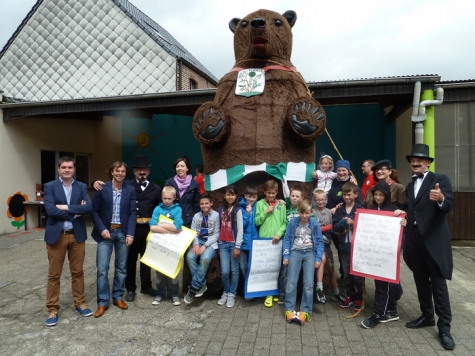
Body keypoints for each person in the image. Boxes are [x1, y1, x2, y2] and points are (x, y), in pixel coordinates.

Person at [403, 144, 455, 350]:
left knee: (438, 284)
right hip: (414, 240)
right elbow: (411, 210)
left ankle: (444, 328)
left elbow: (449, 205)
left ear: (428, 162)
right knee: (420, 281)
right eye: (412, 160)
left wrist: (441, 199)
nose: (415, 162)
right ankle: (427, 316)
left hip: (433, 240)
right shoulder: (410, 185)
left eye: (420, 160)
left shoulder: (440, 180)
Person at [93, 155, 162, 302]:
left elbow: (162, 206)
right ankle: (130, 288)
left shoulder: (156, 188)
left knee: (146, 259)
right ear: (135, 172)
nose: (142, 172)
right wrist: (94, 182)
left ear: (148, 172)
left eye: (144, 170)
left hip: (149, 228)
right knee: (129, 260)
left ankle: (146, 285)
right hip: (131, 227)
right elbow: (105, 190)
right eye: (139, 170)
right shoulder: (128, 185)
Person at [42, 156, 93, 327]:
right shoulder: (50, 186)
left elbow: (89, 207)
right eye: (63, 167)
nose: (67, 170)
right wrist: (75, 212)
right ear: (58, 169)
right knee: (54, 274)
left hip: (76, 235)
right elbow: (50, 210)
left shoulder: (81, 186)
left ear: (74, 169)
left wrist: (64, 207)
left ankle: (79, 303)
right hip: (57, 236)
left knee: (77, 272)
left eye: (70, 167)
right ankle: (52, 308)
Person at [91, 161, 136, 318]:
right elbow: (94, 211)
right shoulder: (101, 188)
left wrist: (130, 234)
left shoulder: (130, 190)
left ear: (125, 173)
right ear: (111, 172)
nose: (120, 173)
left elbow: (132, 213)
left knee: (121, 268)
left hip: (123, 233)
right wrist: (102, 229)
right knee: (102, 269)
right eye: (117, 171)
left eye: (123, 171)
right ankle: (102, 302)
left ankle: (117, 297)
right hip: (106, 233)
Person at [360, 181, 407, 329]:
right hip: (375, 253)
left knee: (383, 284)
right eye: (376, 195)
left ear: (387, 195)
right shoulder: (371, 208)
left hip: (388, 253)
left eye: (381, 195)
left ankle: (378, 314)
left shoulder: (393, 210)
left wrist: (403, 221)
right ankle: (392, 310)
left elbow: (402, 227)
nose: (378, 197)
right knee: (383, 282)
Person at [283, 200, 323, 325]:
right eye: (302, 213)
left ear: (311, 212)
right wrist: (286, 255)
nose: (305, 216)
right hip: (295, 251)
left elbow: (320, 243)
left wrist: (318, 258)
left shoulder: (315, 224)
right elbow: (287, 239)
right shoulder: (293, 223)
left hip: (309, 253)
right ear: (298, 212)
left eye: (307, 213)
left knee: (309, 283)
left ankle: (305, 310)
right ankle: (289, 308)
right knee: (291, 282)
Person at [326, 160, 362, 278]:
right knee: (340, 250)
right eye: (339, 170)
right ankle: (344, 275)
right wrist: (331, 209)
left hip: (350, 223)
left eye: (344, 170)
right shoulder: (334, 182)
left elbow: (359, 203)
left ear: (348, 171)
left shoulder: (352, 183)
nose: (341, 173)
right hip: (336, 221)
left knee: (352, 252)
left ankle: (355, 278)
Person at [332, 182, 364, 312]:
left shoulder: (361, 208)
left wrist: (355, 222)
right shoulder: (340, 209)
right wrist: (340, 224)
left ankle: (360, 297)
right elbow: (334, 227)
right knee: (346, 273)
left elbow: (367, 227)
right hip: (344, 247)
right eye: (344, 195)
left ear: (356, 194)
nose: (346, 197)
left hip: (357, 248)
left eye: (349, 194)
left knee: (357, 275)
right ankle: (350, 296)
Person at [149, 186, 184, 306]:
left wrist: (161, 225)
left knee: (173, 270)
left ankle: (174, 294)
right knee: (159, 271)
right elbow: (152, 227)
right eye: (164, 198)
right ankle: (160, 293)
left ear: (174, 198)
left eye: (169, 198)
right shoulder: (157, 209)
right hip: (159, 244)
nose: (167, 201)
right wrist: (171, 230)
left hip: (173, 245)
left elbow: (177, 226)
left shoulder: (177, 210)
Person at [255, 180, 287, 308]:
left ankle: (276, 291)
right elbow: (257, 221)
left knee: (277, 268)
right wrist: (265, 212)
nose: (271, 195)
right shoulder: (259, 204)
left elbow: (285, 223)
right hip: (264, 241)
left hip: (278, 240)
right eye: (269, 193)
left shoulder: (282, 205)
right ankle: (268, 293)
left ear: (277, 192)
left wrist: (279, 234)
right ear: (264, 192)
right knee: (267, 268)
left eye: (273, 193)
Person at [184, 192, 220, 304]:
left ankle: (194, 288)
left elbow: (217, 234)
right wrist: (195, 244)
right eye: (202, 204)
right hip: (198, 241)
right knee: (190, 256)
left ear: (211, 203)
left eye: (206, 203)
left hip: (211, 243)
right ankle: (202, 284)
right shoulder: (196, 216)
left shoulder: (216, 215)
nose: (204, 206)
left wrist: (205, 246)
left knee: (205, 258)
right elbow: (193, 232)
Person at [312, 190, 345, 304]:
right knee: (321, 260)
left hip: (327, 243)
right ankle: (319, 288)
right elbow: (315, 229)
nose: (320, 202)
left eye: (322, 199)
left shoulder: (329, 212)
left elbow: (333, 227)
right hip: (316, 243)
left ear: (326, 200)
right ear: (314, 201)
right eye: (318, 200)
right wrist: (331, 226)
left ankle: (335, 292)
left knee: (331, 267)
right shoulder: (312, 212)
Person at [217, 185, 243, 308]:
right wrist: (217, 243)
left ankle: (232, 294)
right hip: (222, 243)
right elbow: (218, 228)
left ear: (236, 196)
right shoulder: (220, 210)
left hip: (233, 244)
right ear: (224, 195)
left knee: (234, 270)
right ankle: (226, 292)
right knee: (224, 271)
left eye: (232, 194)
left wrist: (238, 246)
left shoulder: (238, 210)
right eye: (228, 194)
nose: (230, 197)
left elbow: (240, 230)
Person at [278, 187, 304, 305]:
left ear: (302, 198)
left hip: (301, 244)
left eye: (297, 196)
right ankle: (283, 294)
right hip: (288, 243)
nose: (294, 198)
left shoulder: (304, 211)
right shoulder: (286, 209)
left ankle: (299, 294)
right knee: (285, 268)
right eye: (292, 196)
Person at [165, 157, 200, 228]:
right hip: (172, 219)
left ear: (187, 168)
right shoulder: (169, 183)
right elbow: (164, 201)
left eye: (182, 166)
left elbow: (196, 204)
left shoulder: (194, 184)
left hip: (188, 220)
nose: (180, 168)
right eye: (177, 166)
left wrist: (195, 217)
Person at [238, 186, 259, 285]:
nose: (251, 199)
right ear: (245, 196)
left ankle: (252, 288)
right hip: (242, 242)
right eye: (249, 196)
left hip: (255, 242)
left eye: (254, 197)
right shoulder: (240, 207)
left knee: (253, 267)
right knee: (243, 266)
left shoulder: (258, 206)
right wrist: (247, 214)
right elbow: (241, 226)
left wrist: (280, 201)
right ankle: (247, 287)